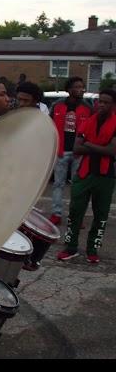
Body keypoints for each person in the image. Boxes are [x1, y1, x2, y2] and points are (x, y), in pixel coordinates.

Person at [57, 89, 116, 264]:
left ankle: (92, 249)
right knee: (75, 212)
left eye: (106, 102)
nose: (101, 105)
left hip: (106, 176)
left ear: (113, 105)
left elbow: (112, 151)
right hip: (84, 173)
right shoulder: (89, 121)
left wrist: (88, 143)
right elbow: (76, 148)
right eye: (100, 101)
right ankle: (70, 248)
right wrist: (100, 147)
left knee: (101, 215)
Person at [49, 77, 92, 226]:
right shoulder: (57, 105)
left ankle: (75, 216)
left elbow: (91, 131)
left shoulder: (88, 108)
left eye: (82, 87)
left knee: (78, 186)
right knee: (58, 184)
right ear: (69, 90)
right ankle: (56, 214)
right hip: (61, 151)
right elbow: (49, 126)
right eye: (77, 87)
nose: (81, 89)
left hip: (78, 153)